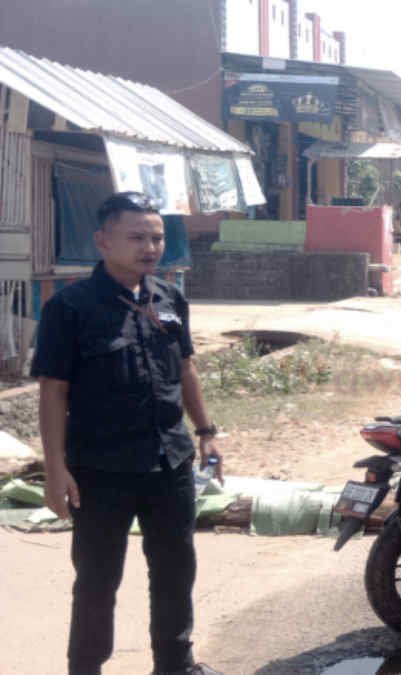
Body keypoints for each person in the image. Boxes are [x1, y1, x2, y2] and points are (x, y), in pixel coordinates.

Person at [33, 192, 224, 675]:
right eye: (137, 237)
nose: (150, 247)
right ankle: (86, 668)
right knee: (97, 579)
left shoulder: (169, 299)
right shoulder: (70, 307)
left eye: (157, 237)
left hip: (169, 461)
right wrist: (55, 470)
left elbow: (186, 368)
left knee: (176, 569)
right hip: (101, 470)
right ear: (103, 240)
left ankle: (175, 665)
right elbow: (53, 390)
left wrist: (206, 431)